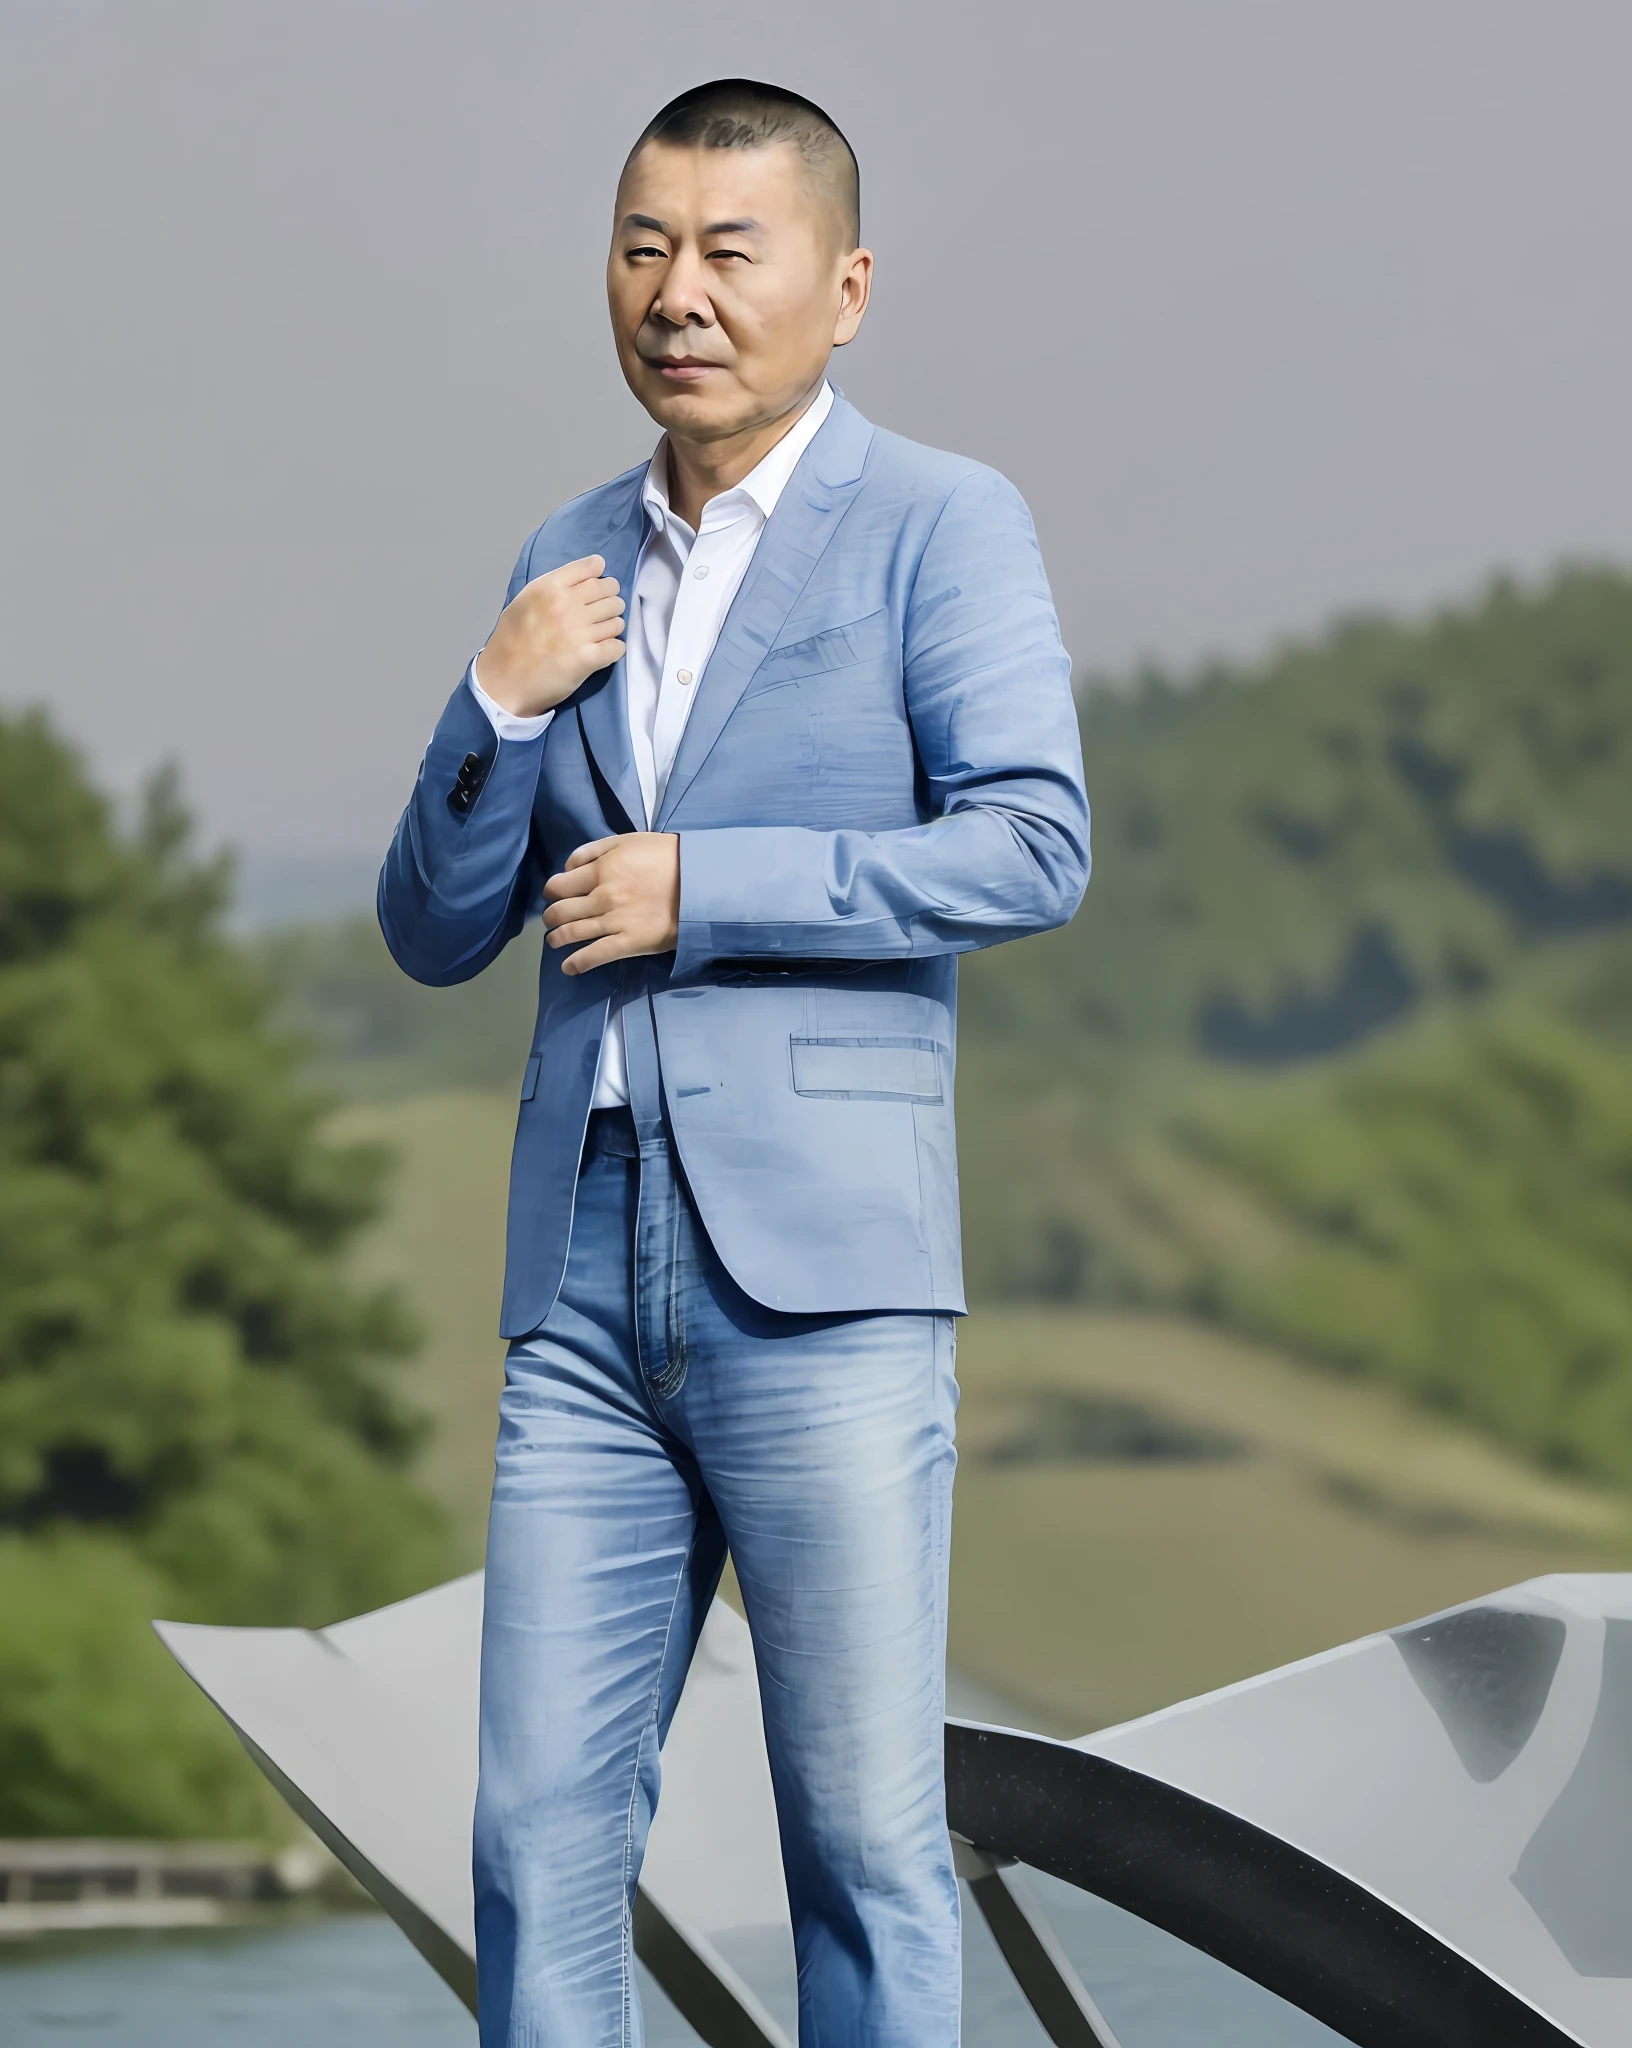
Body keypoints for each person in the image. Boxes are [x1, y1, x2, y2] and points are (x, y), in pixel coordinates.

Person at [379, 76, 1090, 2048]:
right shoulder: (562, 553)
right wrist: (489, 699)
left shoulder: (943, 524)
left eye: (724, 249)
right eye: (638, 247)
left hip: (826, 1286)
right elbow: (436, 924)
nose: (672, 293)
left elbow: (1033, 842)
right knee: (531, 1840)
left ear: (841, 285)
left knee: (857, 1847)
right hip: (585, 1286)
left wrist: (712, 885)